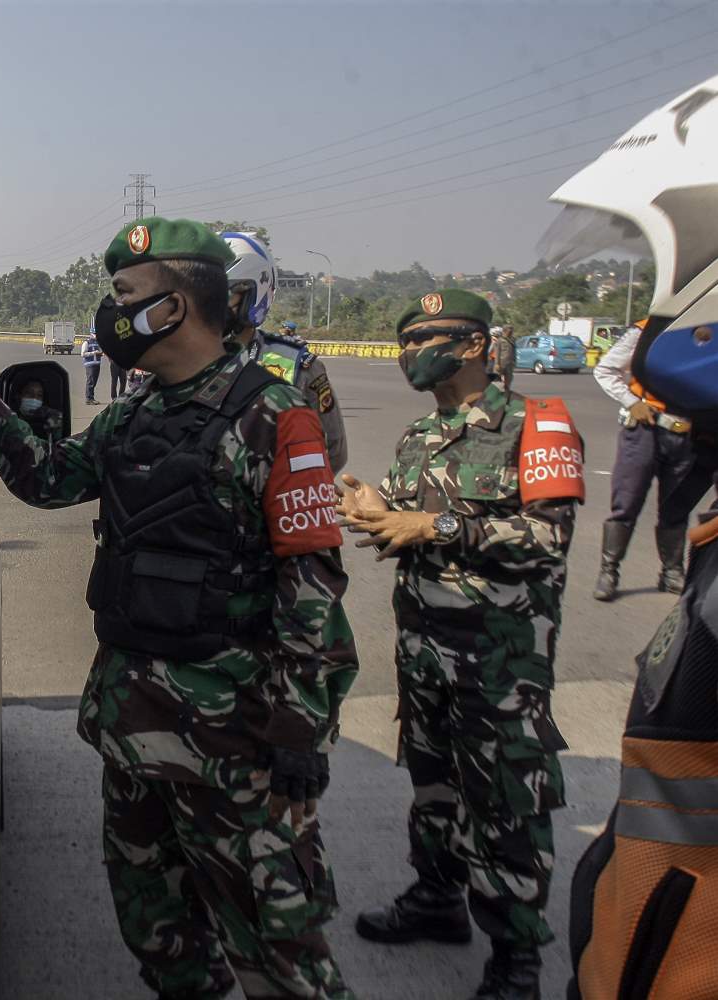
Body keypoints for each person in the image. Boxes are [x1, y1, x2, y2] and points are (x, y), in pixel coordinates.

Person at [0, 219, 356, 998]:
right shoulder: (130, 418)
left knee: (280, 953)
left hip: (233, 739)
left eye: (124, 297)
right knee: (158, 931)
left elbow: (311, 586)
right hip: (133, 729)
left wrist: (300, 731)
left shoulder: (276, 416)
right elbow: (49, 481)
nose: (112, 315)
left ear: (174, 307)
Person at [337, 290, 582, 1000]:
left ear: (474, 345)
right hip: (423, 651)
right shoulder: (420, 435)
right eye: (406, 340)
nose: (412, 351)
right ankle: (438, 899)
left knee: (506, 803)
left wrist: (433, 528)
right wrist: (379, 513)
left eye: (427, 338)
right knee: (434, 786)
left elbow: (548, 540)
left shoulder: (537, 424)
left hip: (499, 660)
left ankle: (517, 958)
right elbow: (407, 522)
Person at [549, 73, 718, 1000]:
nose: (666, 318)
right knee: (631, 514)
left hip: (673, 958)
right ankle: (618, 567)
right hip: (642, 944)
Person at [590, 320, 713, 600]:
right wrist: (632, 401)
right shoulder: (649, 329)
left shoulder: (713, 329)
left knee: (676, 506)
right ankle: (609, 571)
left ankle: (671, 572)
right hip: (645, 430)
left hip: (690, 434)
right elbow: (606, 369)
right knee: (627, 502)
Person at [221, 232, 349, 472]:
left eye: (225, 294)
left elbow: (332, 451)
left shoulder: (296, 366)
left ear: (254, 293)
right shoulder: (182, 359)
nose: (210, 305)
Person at [14, 377, 64, 443]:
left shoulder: (49, 424)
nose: (34, 398)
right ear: (18, 397)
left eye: (39, 395)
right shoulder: (12, 422)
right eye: (29, 393)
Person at [489, 325, 517, 391]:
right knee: (496, 381)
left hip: (510, 363)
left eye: (511, 331)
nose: (510, 332)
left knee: (509, 379)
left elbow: (514, 352)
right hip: (501, 363)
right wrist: (497, 364)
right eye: (509, 331)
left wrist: (514, 361)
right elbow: (497, 353)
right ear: (504, 331)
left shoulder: (512, 340)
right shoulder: (500, 341)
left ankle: (506, 392)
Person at [81, 331, 103, 403]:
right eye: (95, 334)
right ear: (91, 334)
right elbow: (83, 354)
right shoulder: (86, 343)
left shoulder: (97, 343)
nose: (96, 335)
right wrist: (93, 353)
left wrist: (100, 353)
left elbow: (100, 352)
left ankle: (91, 398)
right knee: (90, 381)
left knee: (94, 382)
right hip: (90, 365)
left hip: (97, 364)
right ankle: (89, 398)